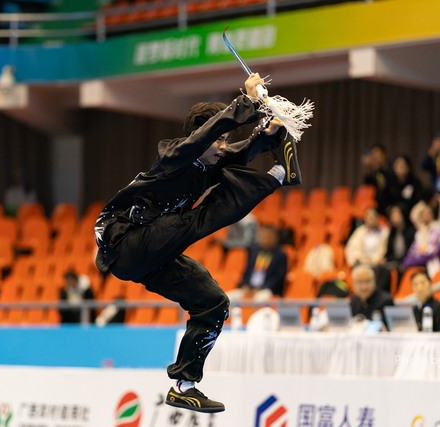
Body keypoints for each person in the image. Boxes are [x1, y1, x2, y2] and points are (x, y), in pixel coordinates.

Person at [93, 73, 302, 413]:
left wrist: (269, 134)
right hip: (123, 241)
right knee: (200, 218)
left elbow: (239, 151)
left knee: (213, 302)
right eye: (218, 139)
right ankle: (278, 176)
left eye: (224, 140)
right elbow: (205, 138)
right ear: (200, 136)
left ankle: (185, 385)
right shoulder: (173, 155)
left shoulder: (209, 164)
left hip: (152, 253)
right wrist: (247, 102)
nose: (222, 146)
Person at [228, 224, 288, 303]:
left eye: (267, 237)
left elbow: (278, 278)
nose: (264, 239)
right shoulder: (254, 252)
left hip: (267, 289)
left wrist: (261, 288)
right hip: (250, 288)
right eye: (263, 237)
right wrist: (245, 285)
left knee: (258, 299)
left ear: (275, 238)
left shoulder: (280, 255)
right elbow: (247, 271)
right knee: (228, 297)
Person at [344, 207, 390, 291]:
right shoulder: (359, 232)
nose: (371, 219)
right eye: (369, 217)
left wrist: (377, 259)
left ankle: (375, 293)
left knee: (382, 271)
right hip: (361, 262)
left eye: (373, 216)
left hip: (376, 264)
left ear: (378, 218)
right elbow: (350, 248)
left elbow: (386, 249)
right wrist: (357, 258)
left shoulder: (385, 232)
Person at [403, 204, 440, 278]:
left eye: (428, 213)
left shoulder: (438, 230)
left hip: (436, 262)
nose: (426, 216)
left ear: (433, 215)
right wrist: (409, 260)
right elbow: (413, 250)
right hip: (421, 261)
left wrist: (415, 259)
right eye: (424, 214)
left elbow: (431, 252)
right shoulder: (420, 232)